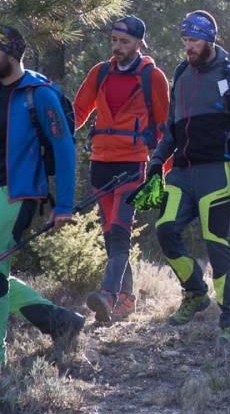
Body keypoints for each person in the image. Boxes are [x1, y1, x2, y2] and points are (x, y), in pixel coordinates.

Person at [147, 11, 230, 342]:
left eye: (193, 41)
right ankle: (195, 292)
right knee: (166, 230)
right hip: (182, 171)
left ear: (209, 40)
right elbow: (172, 127)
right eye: (185, 41)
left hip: (218, 172)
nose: (188, 48)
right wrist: (156, 161)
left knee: (216, 244)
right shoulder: (180, 73)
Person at [72, 16, 169, 323]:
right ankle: (126, 300)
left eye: (124, 42)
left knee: (119, 232)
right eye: (114, 40)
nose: (117, 47)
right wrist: (52, 136)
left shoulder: (152, 77)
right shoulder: (99, 73)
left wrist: (160, 173)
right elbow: (77, 113)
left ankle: (107, 294)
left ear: (140, 43)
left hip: (133, 165)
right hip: (100, 164)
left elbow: (166, 130)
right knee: (108, 233)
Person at [0, 25, 85, 365]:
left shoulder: (39, 94)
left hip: (17, 195)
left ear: (10, 53)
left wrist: (64, 204)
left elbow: (64, 149)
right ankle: (60, 321)